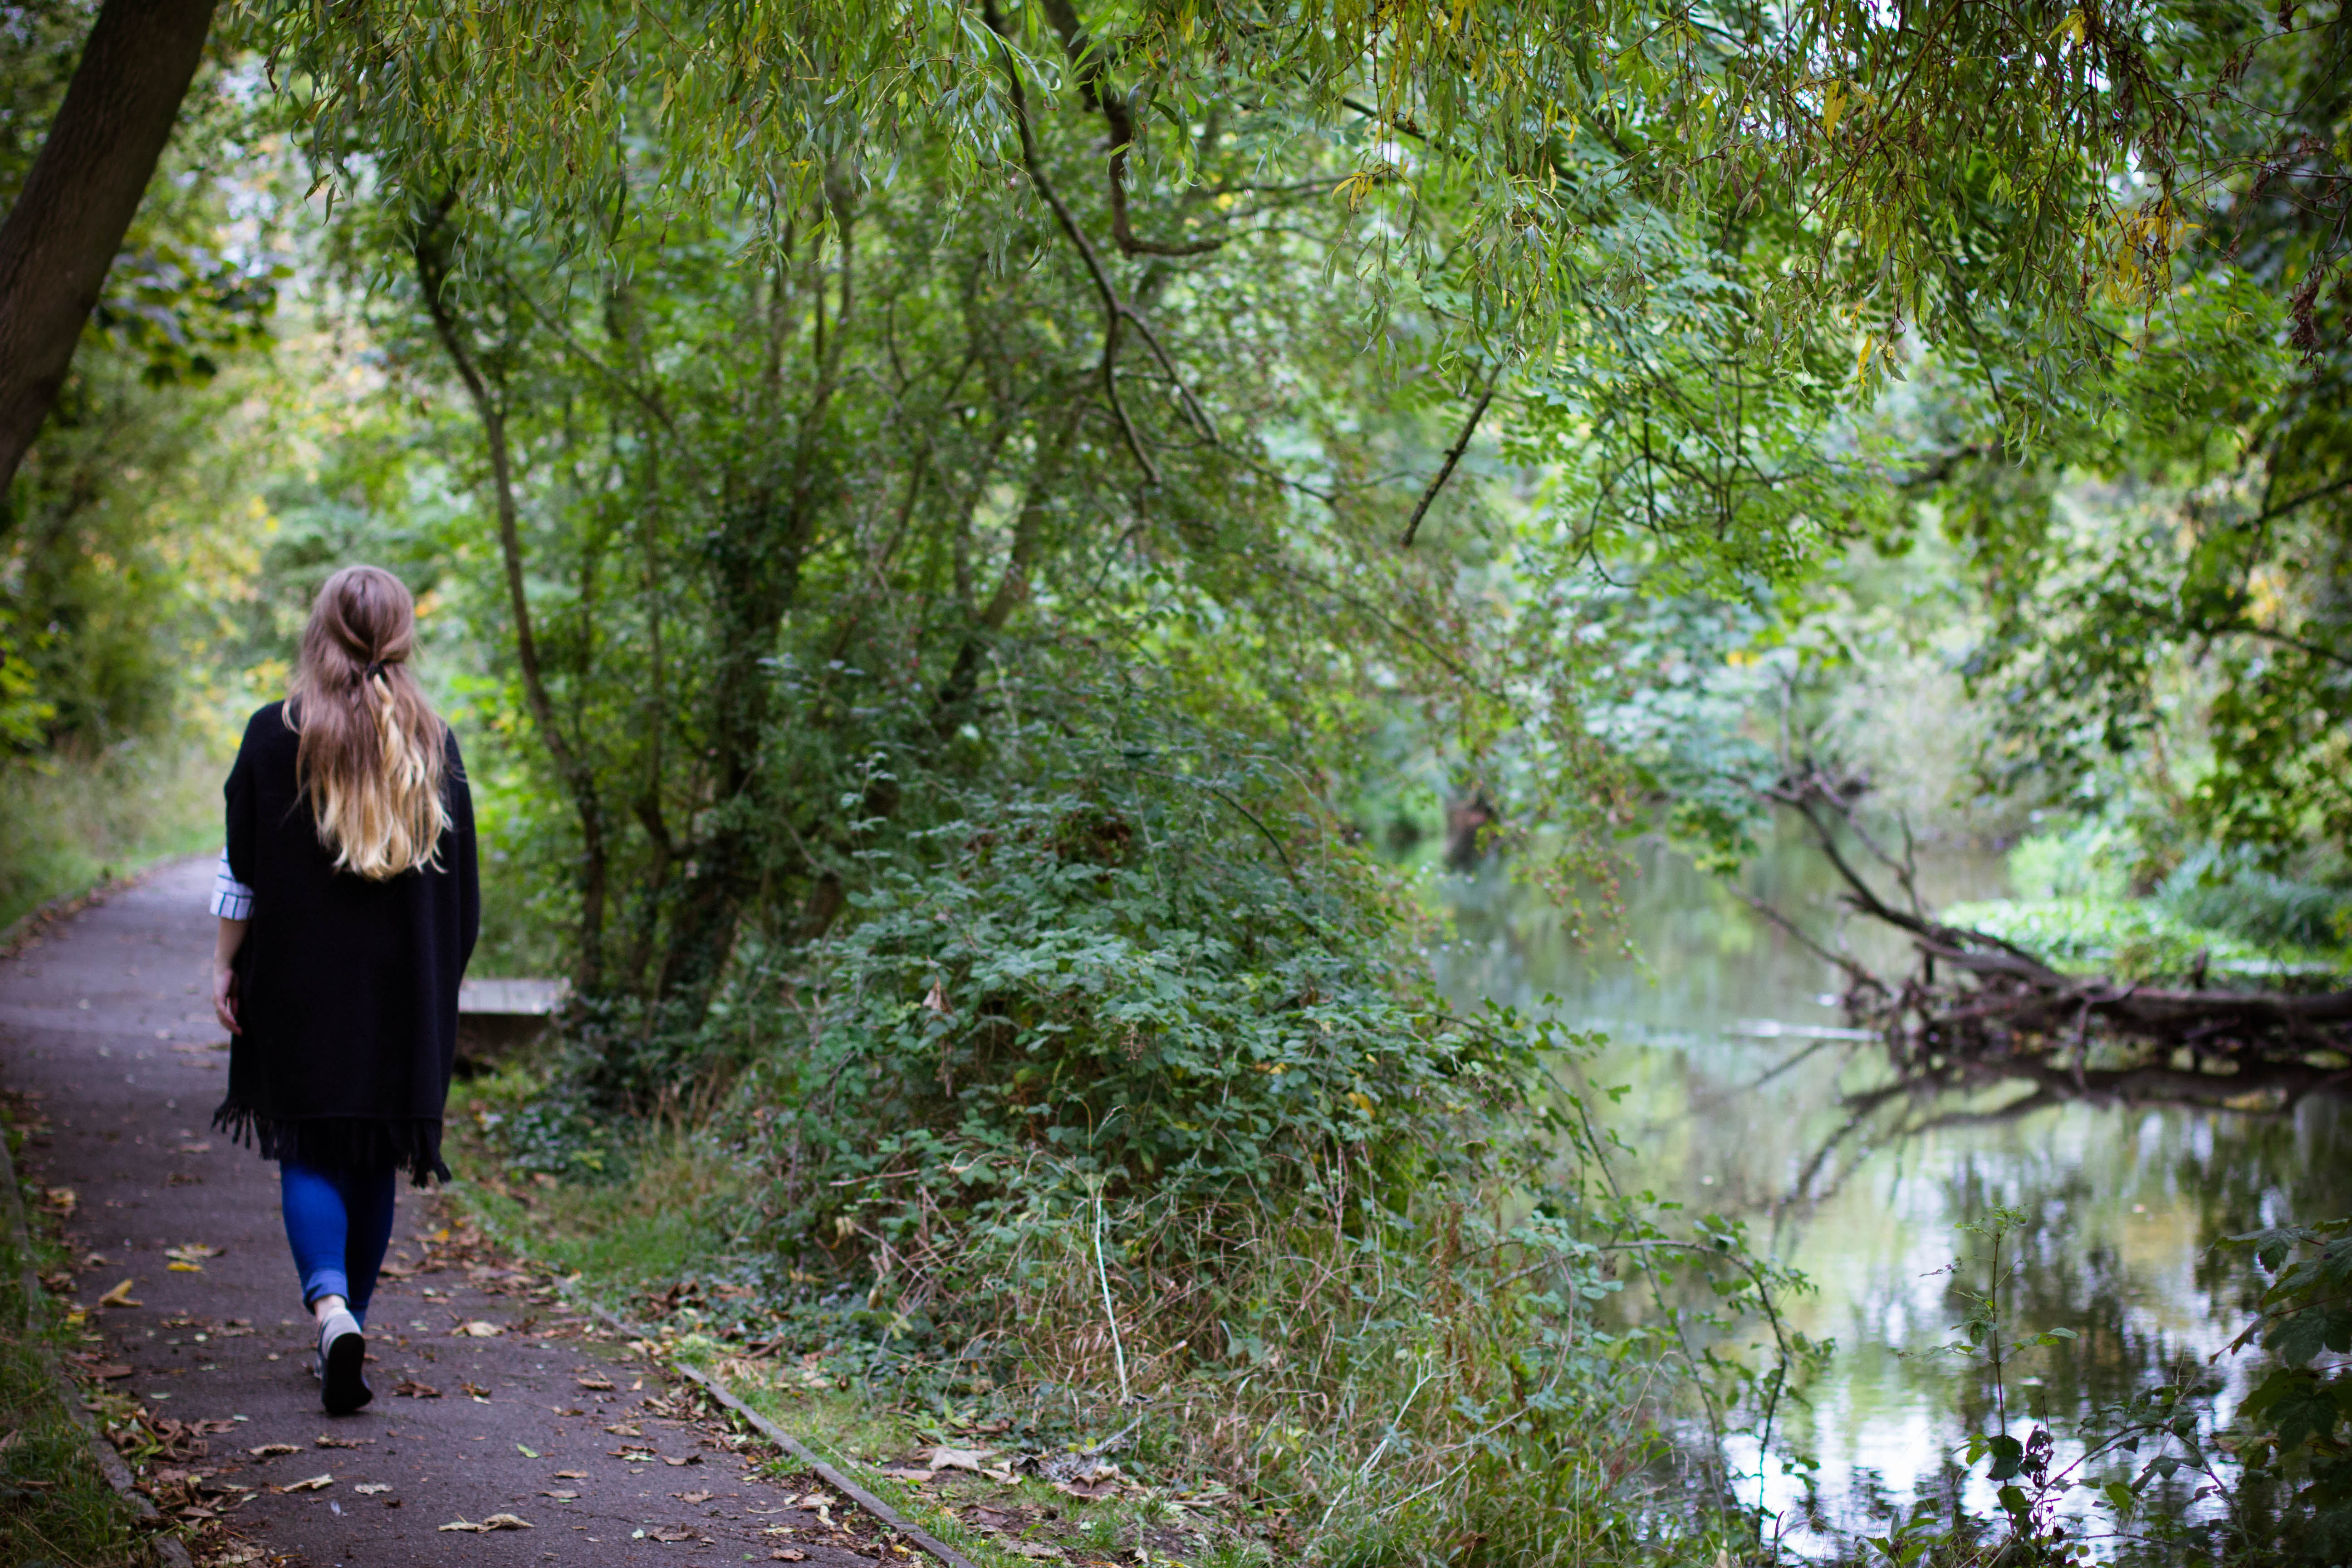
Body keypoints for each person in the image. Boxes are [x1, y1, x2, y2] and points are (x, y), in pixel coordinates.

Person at [207, 565, 480, 1415]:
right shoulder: (435, 742)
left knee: (310, 1146)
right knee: (375, 1153)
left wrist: (226, 965)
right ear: (401, 633)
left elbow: (239, 874)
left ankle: (330, 1309)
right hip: (405, 995)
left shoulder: (271, 734)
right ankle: (351, 1321)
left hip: (295, 986)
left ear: (321, 629)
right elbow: (463, 896)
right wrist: (441, 991)